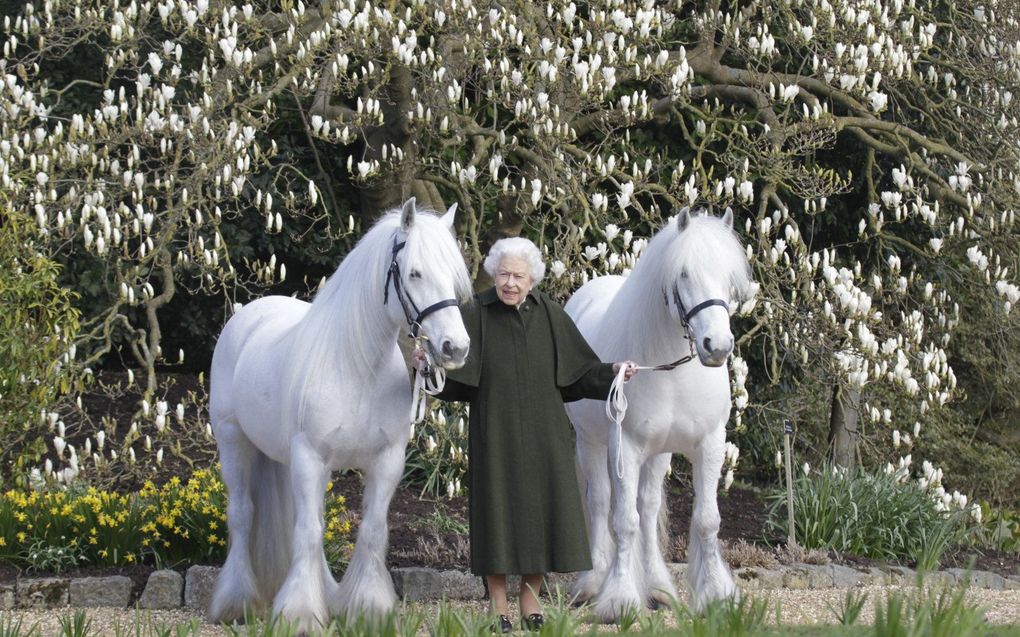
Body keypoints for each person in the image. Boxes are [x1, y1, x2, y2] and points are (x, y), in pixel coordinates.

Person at [414, 237, 636, 633]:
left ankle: (529, 596)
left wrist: (615, 371)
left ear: (532, 278)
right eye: (503, 275)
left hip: (545, 435)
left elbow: (580, 373)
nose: (510, 283)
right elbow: (453, 379)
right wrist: (426, 367)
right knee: (496, 515)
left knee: (542, 515)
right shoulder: (475, 313)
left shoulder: (550, 314)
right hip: (493, 433)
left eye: (518, 275)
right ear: (493, 276)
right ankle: (498, 602)